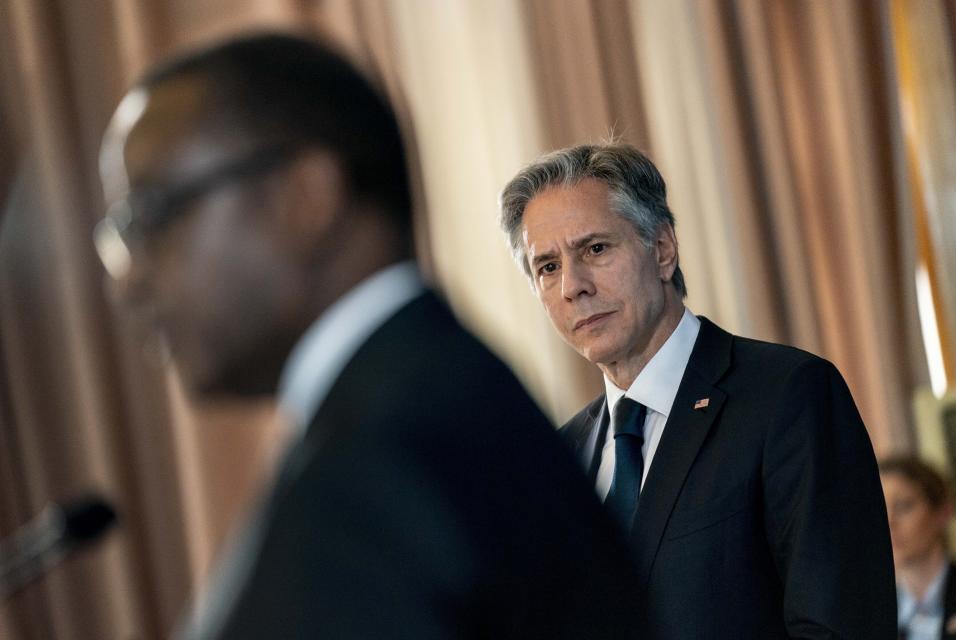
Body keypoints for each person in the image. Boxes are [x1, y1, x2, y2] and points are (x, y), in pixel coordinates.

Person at [94, 34, 644, 639]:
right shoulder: (430, 403)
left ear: (305, 198)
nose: (128, 281)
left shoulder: (390, 462)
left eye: (147, 217)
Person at [498, 142, 898, 639]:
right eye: (548, 267)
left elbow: (841, 624)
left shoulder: (787, 395)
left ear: (662, 249)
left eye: (595, 249)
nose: (572, 287)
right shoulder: (559, 458)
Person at [880, 456, 956, 639]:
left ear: (943, 512)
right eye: (880, 510)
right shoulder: (871, 610)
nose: (889, 523)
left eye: (903, 506)